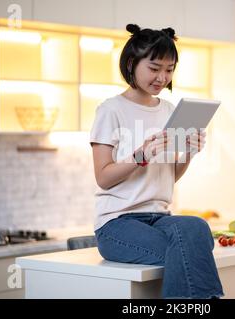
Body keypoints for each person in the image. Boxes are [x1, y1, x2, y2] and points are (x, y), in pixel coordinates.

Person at [89, 23, 224, 299]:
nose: (162, 77)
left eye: (169, 69)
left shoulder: (169, 111)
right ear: (131, 63)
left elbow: (169, 176)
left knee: (197, 229)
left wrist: (188, 152)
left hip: (160, 217)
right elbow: (103, 176)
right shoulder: (110, 110)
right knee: (193, 245)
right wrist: (140, 156)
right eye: (154, 68)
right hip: (117, 224)